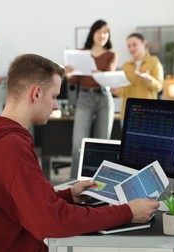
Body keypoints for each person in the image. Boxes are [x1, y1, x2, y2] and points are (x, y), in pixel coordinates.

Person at [0, 53, 159, 252]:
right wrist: (127, 212)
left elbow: (21, 200)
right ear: (37, 93)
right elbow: (53, 221)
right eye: (55, 96)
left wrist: (68, 196)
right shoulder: (12, 149)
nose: (56, 106)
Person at [66, 19, 117, 180]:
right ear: (92, 33)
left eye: (106, 32)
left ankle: (101, 183)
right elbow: (74, 80)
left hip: (104, 97)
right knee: (78, 144)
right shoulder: (81, 53)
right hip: (85, 97)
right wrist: (68, 74)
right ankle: (74, 183)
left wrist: (99, 75)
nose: (103, 35)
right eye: (99, 31)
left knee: (103, 144)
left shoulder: (111, 54)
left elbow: (109, 75)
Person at [111, 33, 164, 120]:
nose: (131, 48)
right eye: (129, 46)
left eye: (134, 45)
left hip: (147, 113)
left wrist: (149, 80)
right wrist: (117, 91)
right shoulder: (126, 65)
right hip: (128, 113)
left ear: (144, 43)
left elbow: (159, 87)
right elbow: (124, 90)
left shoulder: (154, 62)